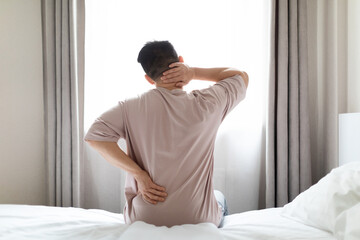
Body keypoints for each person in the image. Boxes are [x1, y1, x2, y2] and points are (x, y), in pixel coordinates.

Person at [84, 40, 248, 228]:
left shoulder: (129, 108)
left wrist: (139, 174)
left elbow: (94, 137)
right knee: (219, 197)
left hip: (143, 218)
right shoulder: (209, 102)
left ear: (148, 78)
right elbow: (241, 76)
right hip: (199, 217)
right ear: (180, 61)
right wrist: (193, 72)